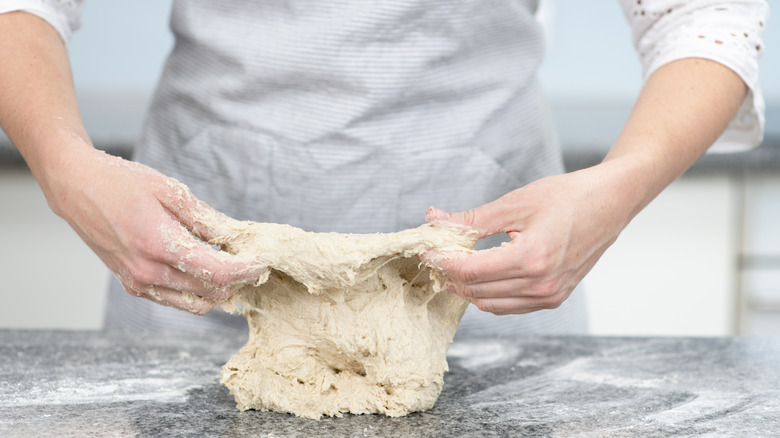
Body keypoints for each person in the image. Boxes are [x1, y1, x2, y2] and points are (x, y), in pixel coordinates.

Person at [0, 1, 769, 335]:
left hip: (486, 278)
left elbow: (709, 18)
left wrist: (616, 188)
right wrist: (66, 167)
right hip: (197, 256)